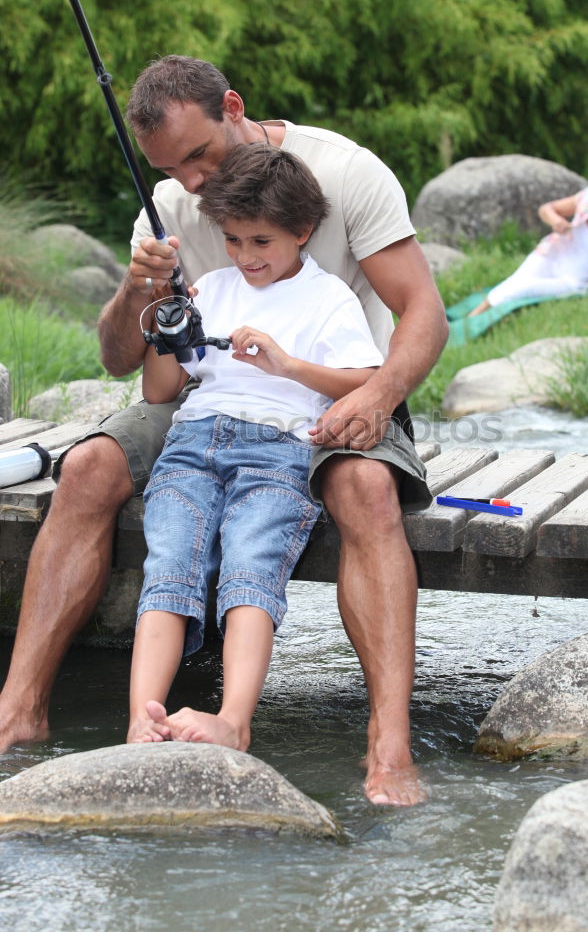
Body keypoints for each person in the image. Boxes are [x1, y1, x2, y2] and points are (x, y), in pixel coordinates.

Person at [0, 56, 447, 805]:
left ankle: (388, 743)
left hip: (332, 391)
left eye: (199, 156)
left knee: (367, 487)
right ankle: (21, 707)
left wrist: (381, 394)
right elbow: (125, 364)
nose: (190, 183)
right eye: (169, 169)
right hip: (204, 403)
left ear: (233, 106)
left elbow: (423, 312)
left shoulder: (345, 174)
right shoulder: (169, 203)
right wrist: (136, 290)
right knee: (87, 469)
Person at [128, 144, 407, 746]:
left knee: (250, 567)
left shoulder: (330, 297)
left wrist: (288, 366)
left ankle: (234, 721)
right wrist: (163, 317)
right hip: (192, 444)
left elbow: (365, 381)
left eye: (262, 242)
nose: (245, 257)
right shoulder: (211, 288)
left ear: (302, 231)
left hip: (279, 449)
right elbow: (160, 390)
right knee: (169, 565)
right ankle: (142, 718)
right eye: (233, 240)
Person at [468, 169, 588, 316]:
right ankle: (473, 316)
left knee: (522, 289)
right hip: (552, 253)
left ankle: (472, 320)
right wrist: (556, 221)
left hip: (574, 278)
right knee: (516, 280)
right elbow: (546, 209)